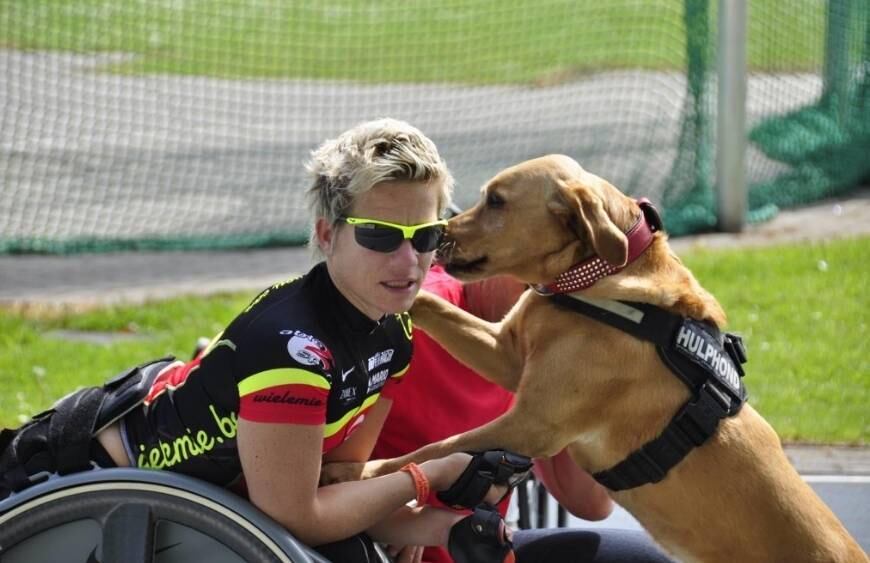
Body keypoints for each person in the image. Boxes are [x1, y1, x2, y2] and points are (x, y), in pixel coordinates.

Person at [0, 119, 519, 562]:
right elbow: (300, 515)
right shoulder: (293, 348)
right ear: (325, 234)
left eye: (425, 237)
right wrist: (427, 477)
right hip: (73, 501)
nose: (409, 262)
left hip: (187, 516)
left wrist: (437, 528)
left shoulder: (394, 332)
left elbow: (334, 481)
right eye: (378, 235)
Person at [372, 263, 675, 562]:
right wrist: (399, 517)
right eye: (539, 281)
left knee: (648, 558)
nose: (556, 302)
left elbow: (589, 502)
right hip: (406, 550)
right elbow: (332, 473)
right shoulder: (408, 319)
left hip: (488, 550)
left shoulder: (548, 341)